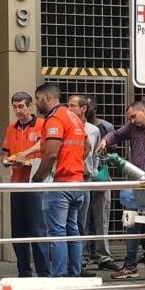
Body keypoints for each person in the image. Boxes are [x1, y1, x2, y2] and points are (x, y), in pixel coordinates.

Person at [98, 101, 145, 281]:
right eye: (130, 118)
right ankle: (130, 265)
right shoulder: (133, 128)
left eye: (134, 116)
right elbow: (116, 135)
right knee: (131, 223)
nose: (132, 121)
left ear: (143, 110)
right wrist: (105, 141)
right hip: (137, 184)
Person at [31, 82, 88, 278]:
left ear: (47, 97)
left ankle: (60, 278)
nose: (36, 104)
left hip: (61, 183)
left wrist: (38, 178)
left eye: (38, 99)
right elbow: (87, 146)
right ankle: (74, 275)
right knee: (72, 230)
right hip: (77, 182)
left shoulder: (54, 119)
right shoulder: (74, 117)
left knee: (56, 233)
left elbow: (51, 154)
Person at [0, 91, 51, 278]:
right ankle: (24, 273)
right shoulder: (11, 127)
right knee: (18, 232)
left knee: (38, 231)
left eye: (21, 106)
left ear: (29, 106)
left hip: (35, 183)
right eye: (15, 106)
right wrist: (8, 160)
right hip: (17, 183)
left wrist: (26, 155)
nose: (18, 110)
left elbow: (46, 146)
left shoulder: (42, 124)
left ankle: (44, 274)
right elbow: (6, 154)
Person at [82, 97, 120, 271]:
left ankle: (103, 256)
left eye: (88, 106)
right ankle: (81, 256)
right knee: (81, 220)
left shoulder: (106, 127)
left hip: (101, 176)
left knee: (101, 219)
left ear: (94, 109)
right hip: (82, 179)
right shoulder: (75, 126)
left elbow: (114, 147)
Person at [67, 94, 100, 278]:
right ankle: (72, 266)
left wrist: (92, 172)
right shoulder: (66, 125)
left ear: (83, 109)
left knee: (81, 224)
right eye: (68, 105)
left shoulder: (93, 130)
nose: (69, 109)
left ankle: (79, 264)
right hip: (71, 178)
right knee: (70, 224)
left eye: (73, 106)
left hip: (85, 179)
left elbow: (93, 153)